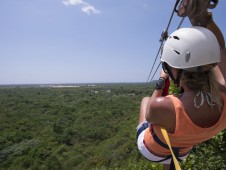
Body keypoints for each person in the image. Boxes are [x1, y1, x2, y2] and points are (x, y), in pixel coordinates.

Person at [136, 0, 226, 170]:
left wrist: (161, 82)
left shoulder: (163, 106)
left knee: (145, 100)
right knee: (173, 135)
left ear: (175, 69)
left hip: (152, 149)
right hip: (182, 149)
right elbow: (220, 48)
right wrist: (201, 18)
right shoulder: (223, 96)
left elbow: (149, 115)